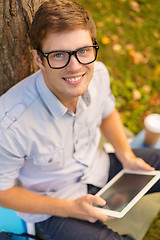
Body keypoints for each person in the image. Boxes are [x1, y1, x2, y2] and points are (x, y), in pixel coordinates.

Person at [0, 0, 159, 239]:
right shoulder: (9, 123)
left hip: (99, 167)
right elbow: (3, 191)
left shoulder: (99, 74)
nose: (75, 67)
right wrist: (69, 208)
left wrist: (127, 156)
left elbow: (107, 113)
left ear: (93, 46)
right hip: (54, 205)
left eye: (83, 51)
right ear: (38, 59)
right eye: (59, 55)